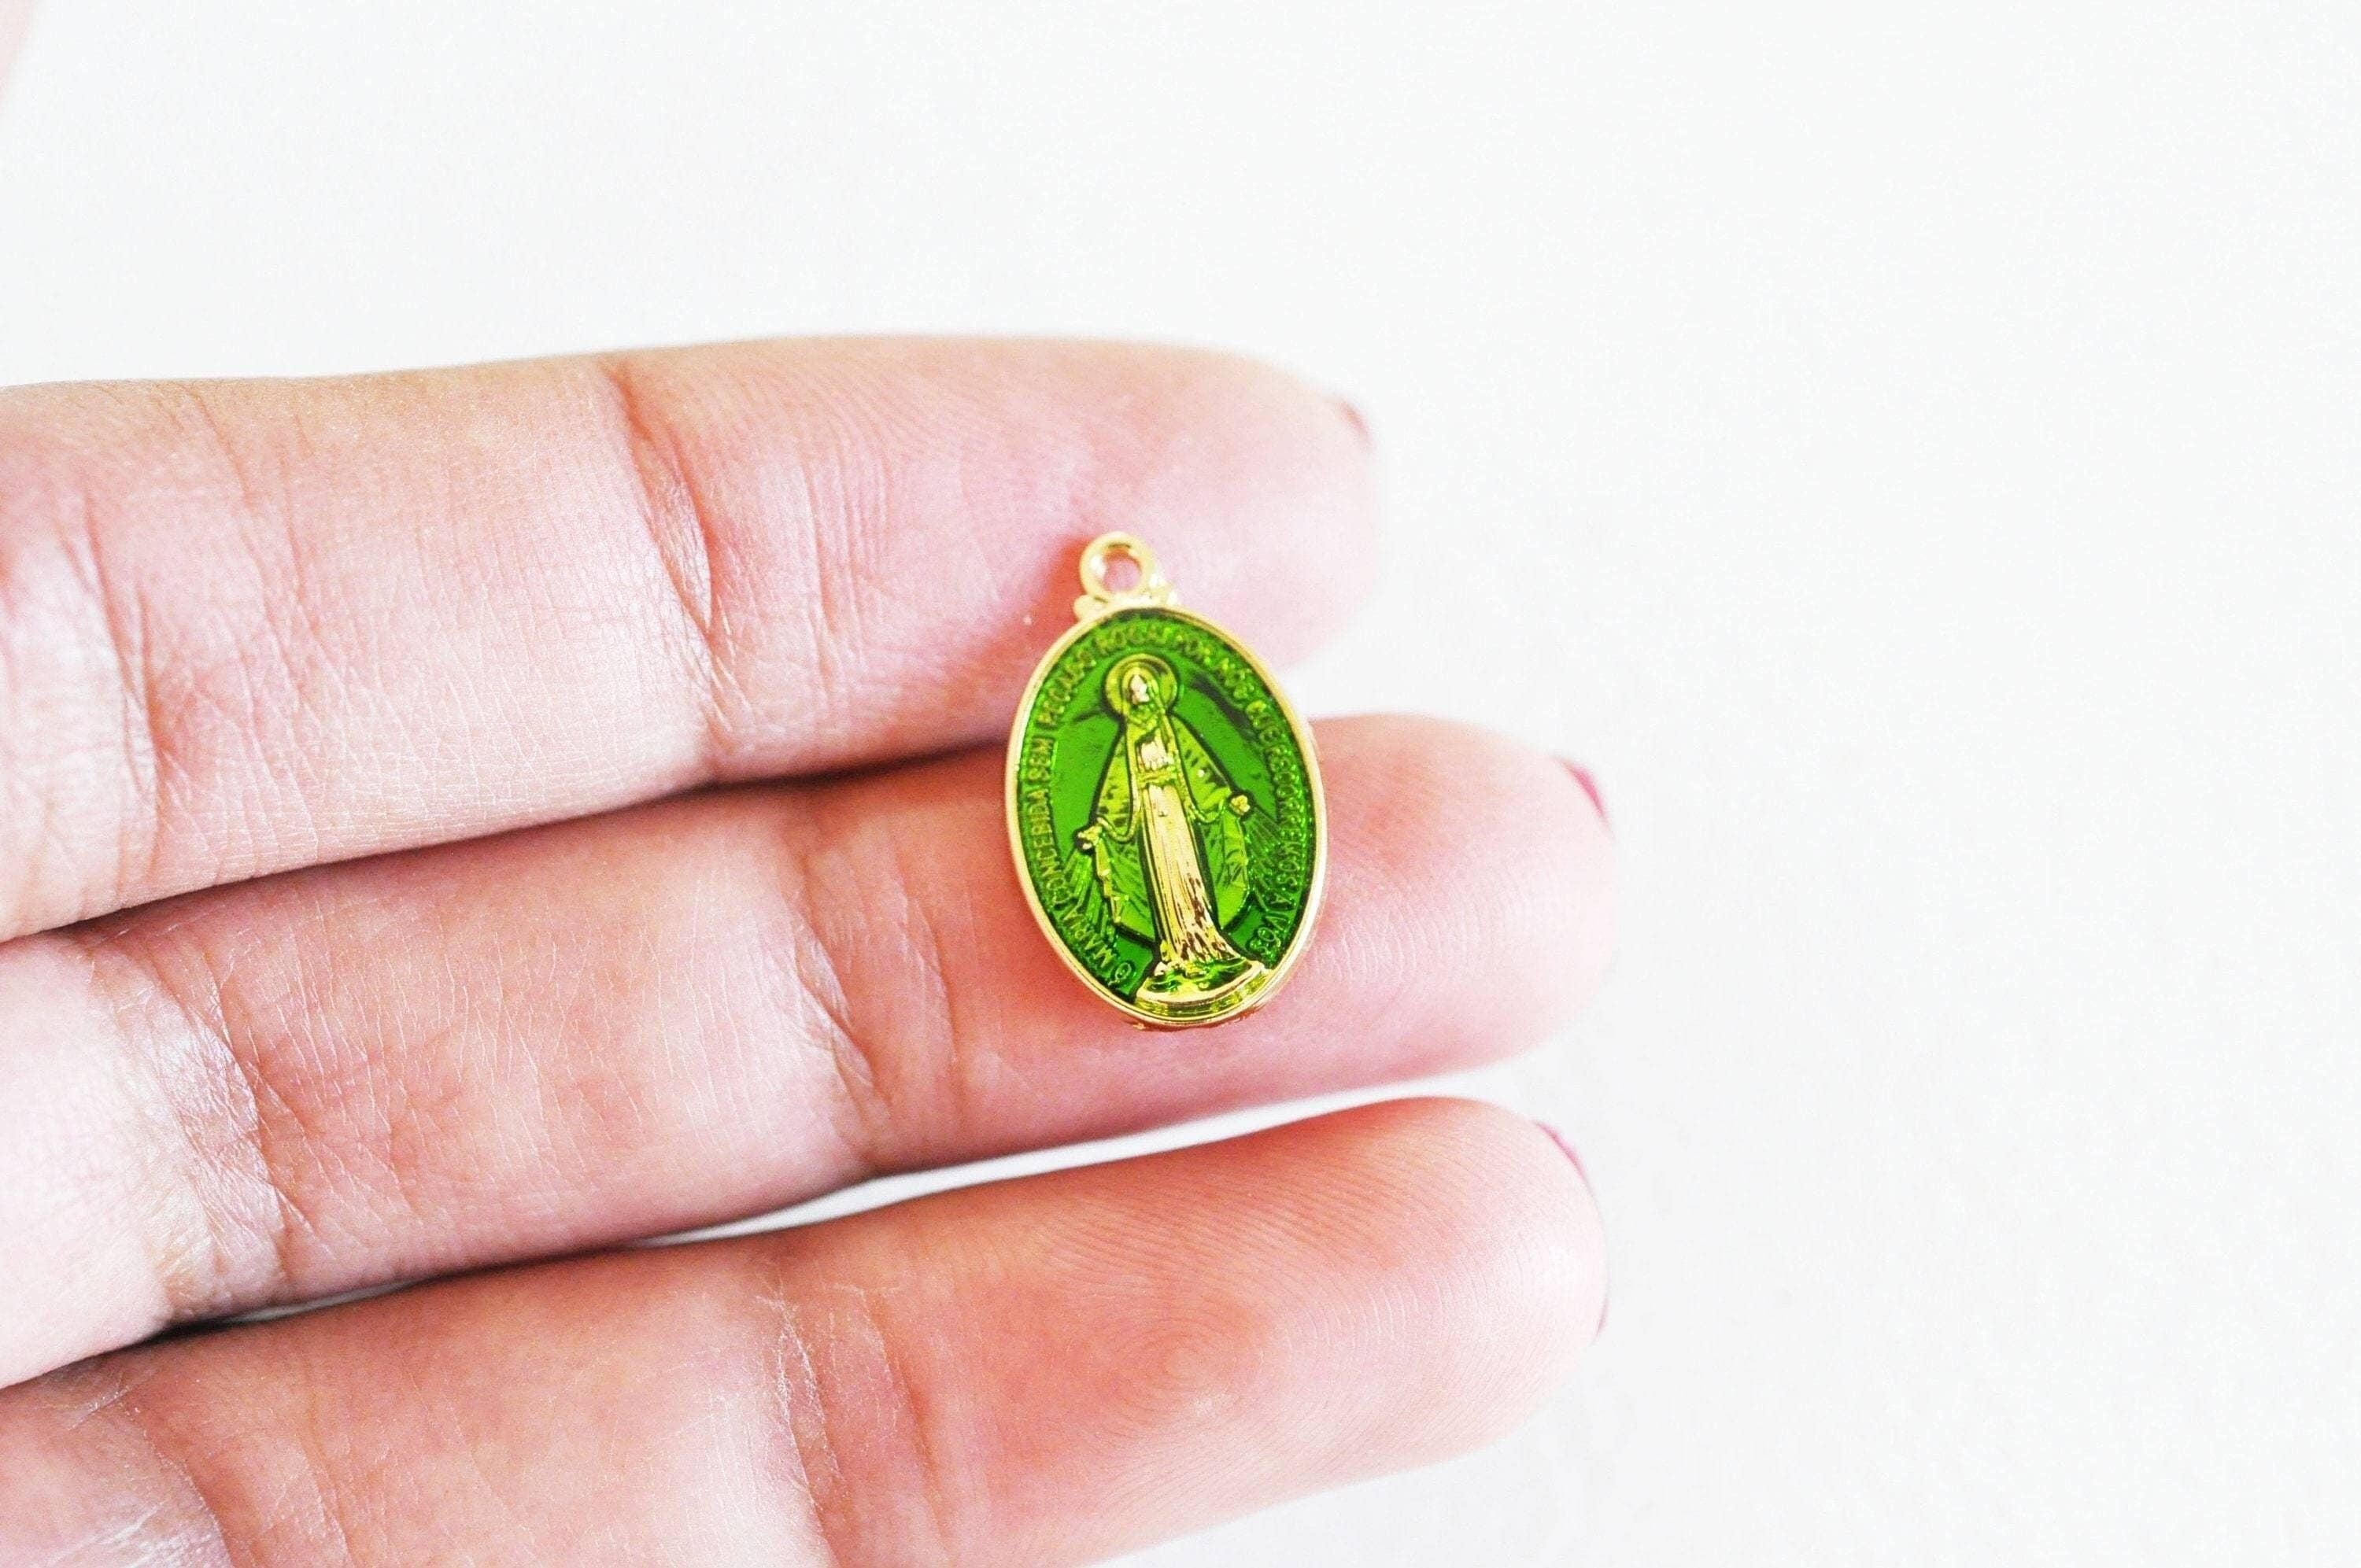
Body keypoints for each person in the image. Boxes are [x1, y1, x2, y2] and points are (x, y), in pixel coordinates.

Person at [0, 334, 1614, 1562]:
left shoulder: (1174, 733)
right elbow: (1120, 815)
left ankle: (1195, 941)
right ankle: (1183, 937)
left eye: (1139, 692)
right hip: (1141, 847)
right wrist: (1125, 826)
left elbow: (1189, 794)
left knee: (1210, 911)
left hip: (1191, 852)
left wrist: (1183, 810)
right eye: (1128, 693)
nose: (1136, 699)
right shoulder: (1124, 744)